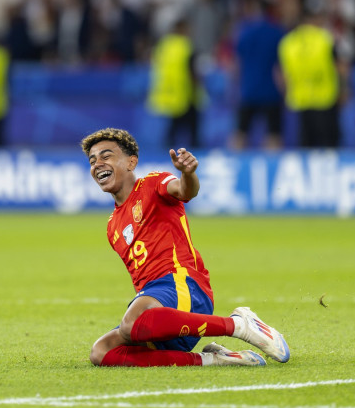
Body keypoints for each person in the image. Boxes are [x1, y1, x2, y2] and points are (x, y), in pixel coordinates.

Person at [82, 127, 290, 367]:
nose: (98, 163)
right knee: (101, 351)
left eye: (106, 156)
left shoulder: (153, 183)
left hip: (185, 287)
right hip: (163, 312)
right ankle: (214, 360)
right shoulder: (112, 226)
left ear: (131, 162)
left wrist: (188, 174)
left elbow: (184, 190)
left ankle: (238, 325)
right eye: (92, 160)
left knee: (131, 323)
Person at [278, 0, 348, 148]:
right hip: (326, 99)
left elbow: (282, 75)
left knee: (306, 146)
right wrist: (344, 90)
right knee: (330, 146)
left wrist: (287, 92)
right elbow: (342, 68)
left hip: (301, 99)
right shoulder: (326, 38)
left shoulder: (288, 42)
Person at [231, 0, 285, 150]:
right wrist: (285, 90)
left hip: (249, 90)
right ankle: (273, 170)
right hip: (271, 91)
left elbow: (237, 64)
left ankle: (235, 167)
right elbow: (281, 66)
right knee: (274, 134)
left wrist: (236, 86)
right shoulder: (277, 33)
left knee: (241, 133)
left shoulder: (244, 33)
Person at [147, 19, 203, 148]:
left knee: (173, 129)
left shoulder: (163, 46)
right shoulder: (186, 46)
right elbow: (191, 69)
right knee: (193, 129)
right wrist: (198, 85)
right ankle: (196, 157)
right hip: (186, 92)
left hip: (169, 93)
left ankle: (167, 155)